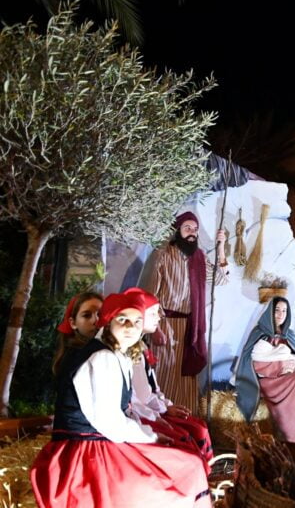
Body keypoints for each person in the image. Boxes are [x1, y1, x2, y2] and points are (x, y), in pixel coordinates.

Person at [31, 291, 211, 507]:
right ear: (107, 322)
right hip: (86, 451)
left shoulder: (116, 354)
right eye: (122, 319)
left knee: (184, 460)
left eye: (137, 321)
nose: (130, 327)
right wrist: (150, 436)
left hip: (98, 441)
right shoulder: (103, 358)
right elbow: (110, 423)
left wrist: (150, 433)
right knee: (186, 467)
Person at [145, 211, 229, 413]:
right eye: (187, 228)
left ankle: (185, 425)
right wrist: (155, 329)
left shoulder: (199, 257)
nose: (192, 233)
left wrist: (221, 248)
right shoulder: (163, 255)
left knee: (185, 378)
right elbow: (151, 295)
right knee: (163, 372)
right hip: (165, 324)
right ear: (178, 231)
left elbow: (221, 280)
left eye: (195, 229)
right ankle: (161, 421)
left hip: (191, 329)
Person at [124, 288, 213, 467]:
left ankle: (204, 472)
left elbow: (153, 389)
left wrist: (167, 406)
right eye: (153, 313)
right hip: (140, 415)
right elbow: (137, 397)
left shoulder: (140, 347)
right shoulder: (127, 353)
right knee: (188, 435)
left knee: (199, 426)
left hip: (151, 409)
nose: (159, 317)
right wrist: (160, 413)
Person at [234, 297, 295, 444]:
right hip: (271, 380)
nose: (280, 314)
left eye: (284, 311)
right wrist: (282, 366)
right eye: (277, 310)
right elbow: (255, 363)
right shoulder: (259, 332)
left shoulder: (288, 334)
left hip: (291, 376)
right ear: (270, 312)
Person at [51, 292, 103, 377]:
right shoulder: (76, 358)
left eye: (100, 314)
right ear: (73, 323)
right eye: (87, 315)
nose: (96, 320)